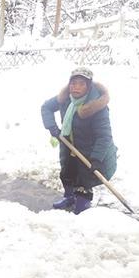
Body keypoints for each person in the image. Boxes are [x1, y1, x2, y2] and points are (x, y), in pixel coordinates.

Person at [41, 67, 117, 214]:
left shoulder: (97, 107)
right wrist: (52, 127)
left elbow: (104, 136)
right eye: (73, 83)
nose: (76, 87)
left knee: (84, 178)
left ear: (88, 86)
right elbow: (46, 107)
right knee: (67, 172)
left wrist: (96, 158)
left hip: (90, 148)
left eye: (81, 84)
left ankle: (82, 205)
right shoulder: (65, 99)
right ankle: (69, 197)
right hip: (69, 144)